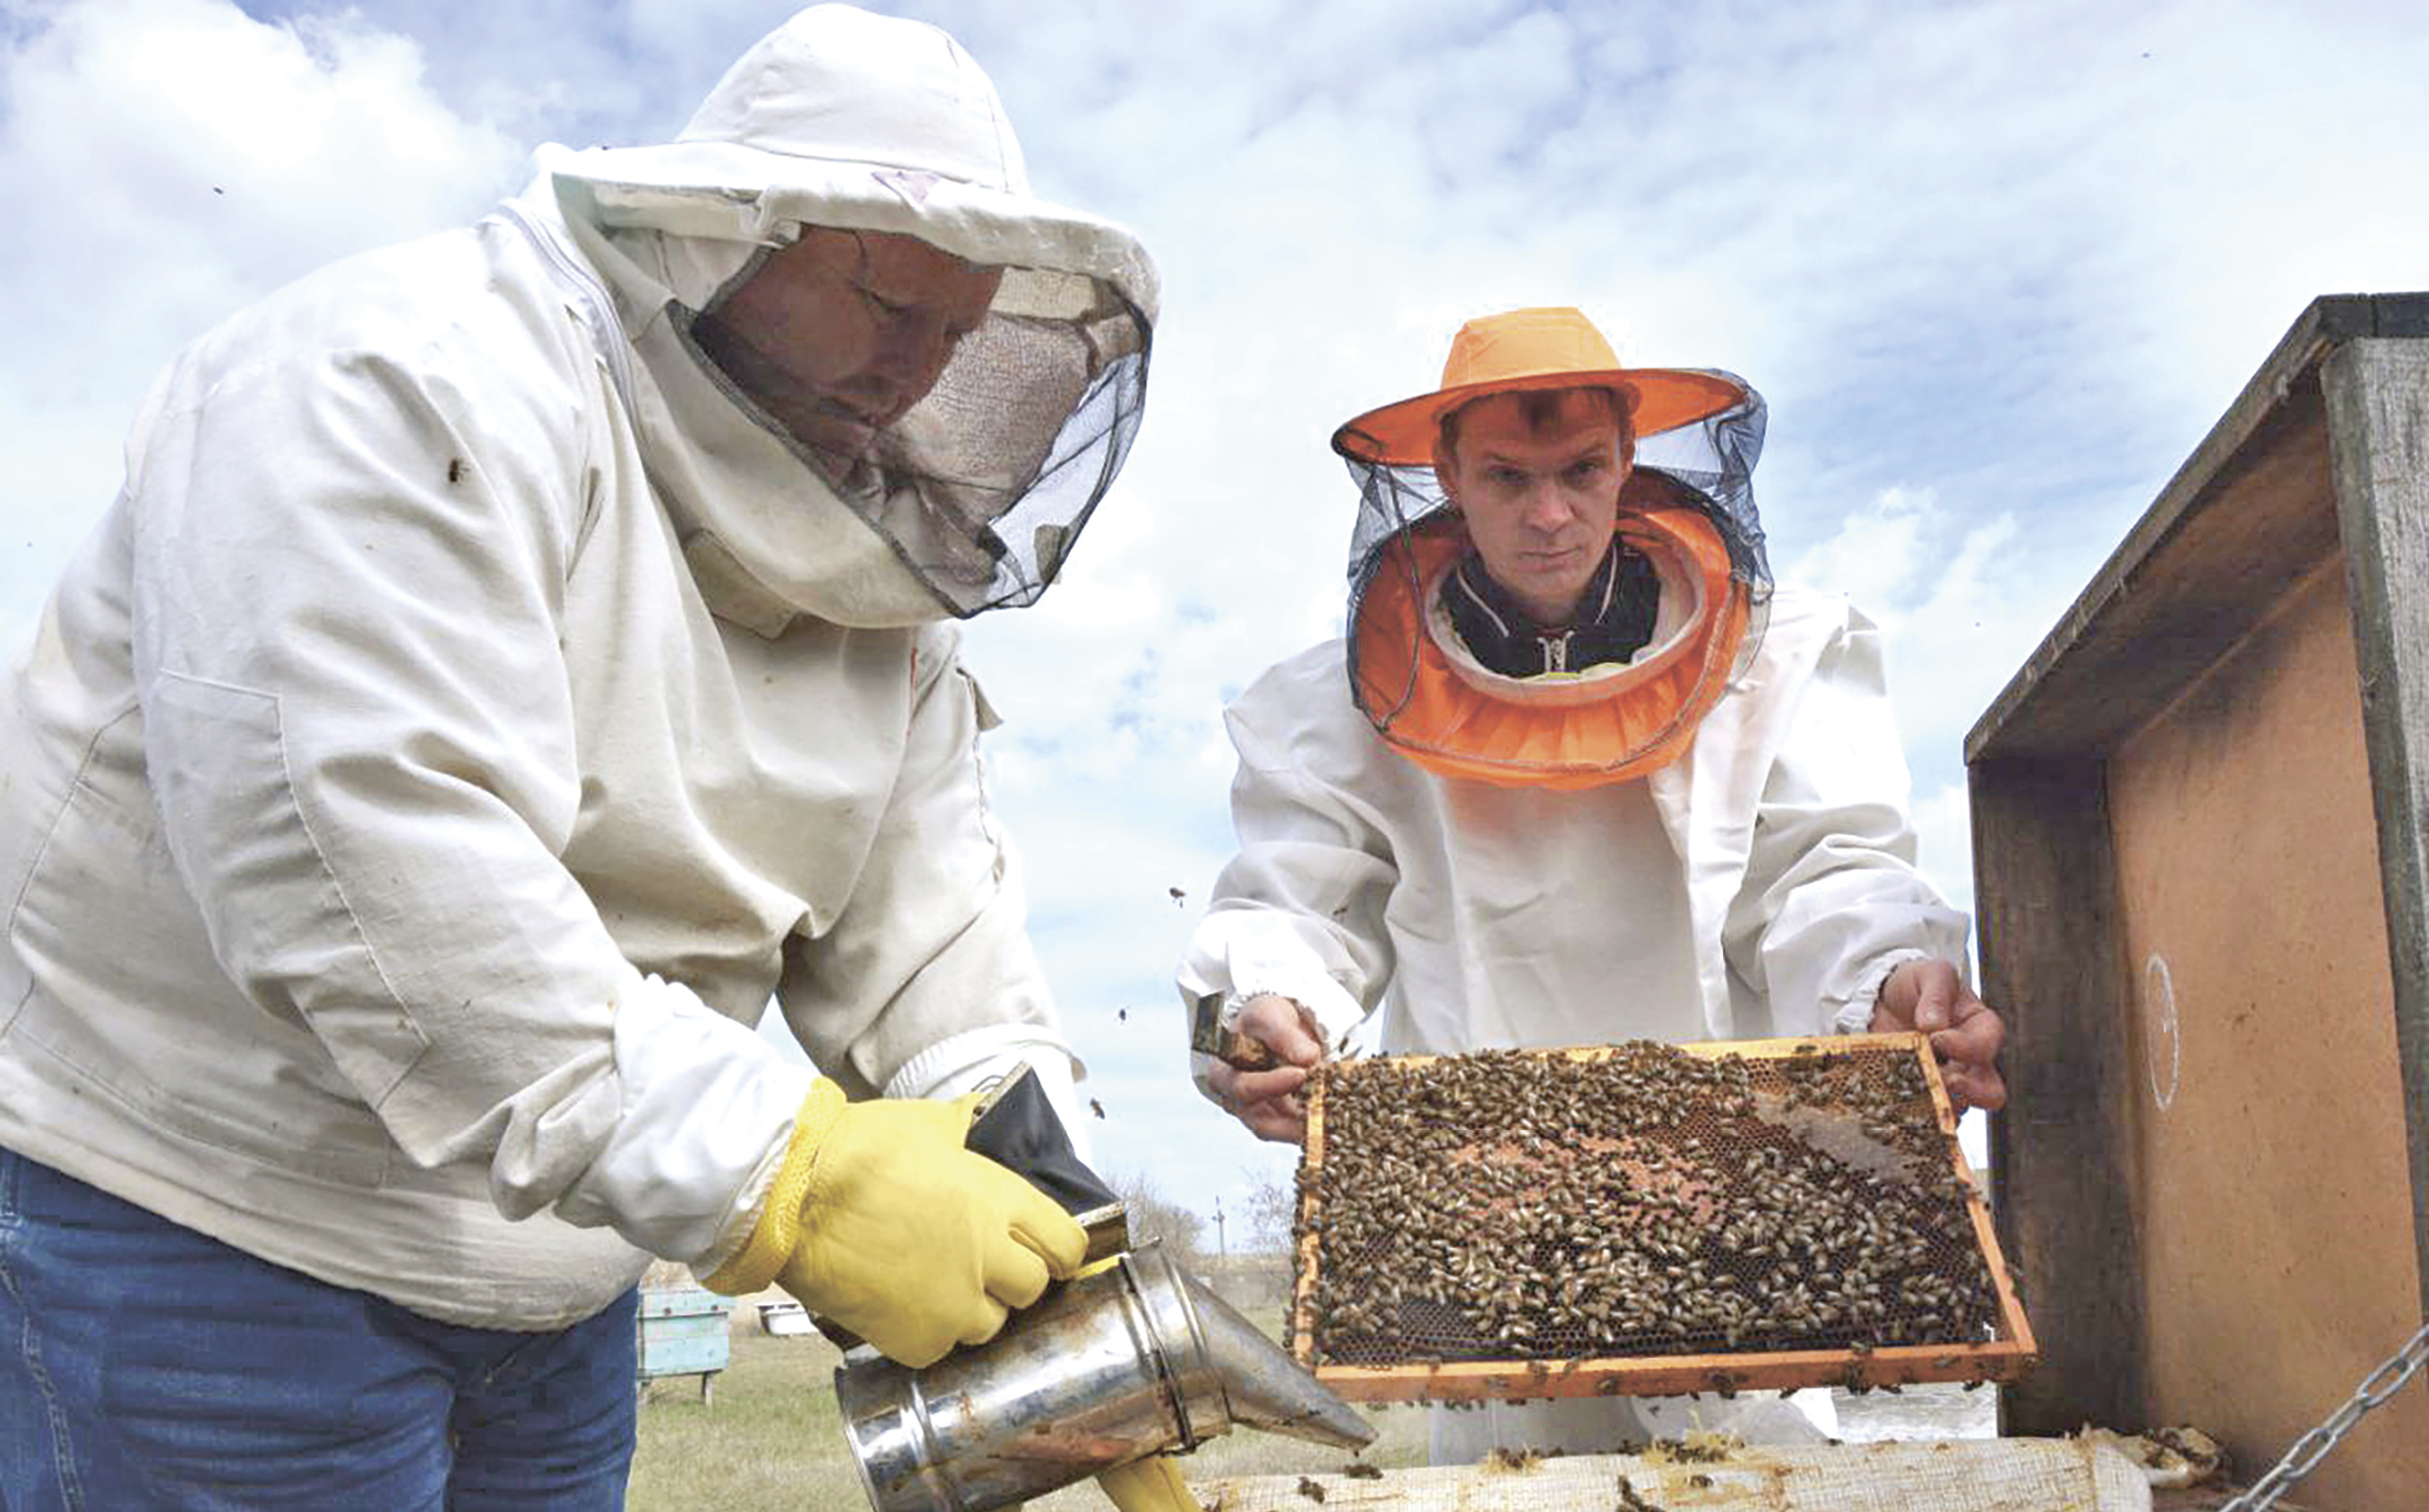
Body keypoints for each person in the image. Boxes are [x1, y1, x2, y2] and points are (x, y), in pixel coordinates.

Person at [0, 7, 1157, 1505]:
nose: (916, 371)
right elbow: (364, 859)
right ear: (726, 234)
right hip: (205, 1227)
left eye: (957, 330)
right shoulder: (396, 375)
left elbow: (924, 919)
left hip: (560, 1283)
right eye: (885, 300)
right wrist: (786, 1177)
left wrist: (1036, 1187)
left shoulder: (878, 563)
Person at [1175, 306, 2005, 1459]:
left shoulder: (1771, 658)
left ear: (1627, 462)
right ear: (1447, 478)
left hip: (1742, 1216)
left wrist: (1883, 981)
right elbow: (1295, 902)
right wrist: (1268, 1002)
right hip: (1480, 1236)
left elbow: (1828, 867)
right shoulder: (1337, 705)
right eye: (1507, 477)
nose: (1550, 512)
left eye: (1580, 471)